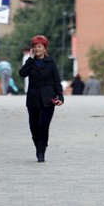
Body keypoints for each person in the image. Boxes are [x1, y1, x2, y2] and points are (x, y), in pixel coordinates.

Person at [19, 35, 64, 163]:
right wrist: (31, 59)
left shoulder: (51, 62)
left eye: (40, 46)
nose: (37, 49)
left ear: (44, 48)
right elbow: (22, 73)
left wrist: (60, 97)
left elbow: (56, 81)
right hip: (33, 100)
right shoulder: (30, 62)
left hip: (48, 99)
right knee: (33, 127)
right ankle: (38, 146)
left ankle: (42, 149)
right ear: (32, 49)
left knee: (43, 125)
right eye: (35, 47)